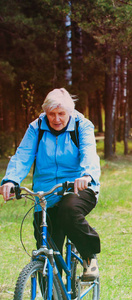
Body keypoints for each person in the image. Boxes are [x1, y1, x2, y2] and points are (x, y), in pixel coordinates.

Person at [0, 88, 101, 280]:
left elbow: (89, 152)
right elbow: (22, 155)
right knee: (46, 249)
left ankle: (89, 256)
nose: (56, 119)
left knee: (68, 210)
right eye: (51, 114)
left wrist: (87, 175)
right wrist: (11, 179)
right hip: (45, 193)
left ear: (70, 112)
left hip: (78, 187)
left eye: (61, 114)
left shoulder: (82, 126)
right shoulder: (36, 128)